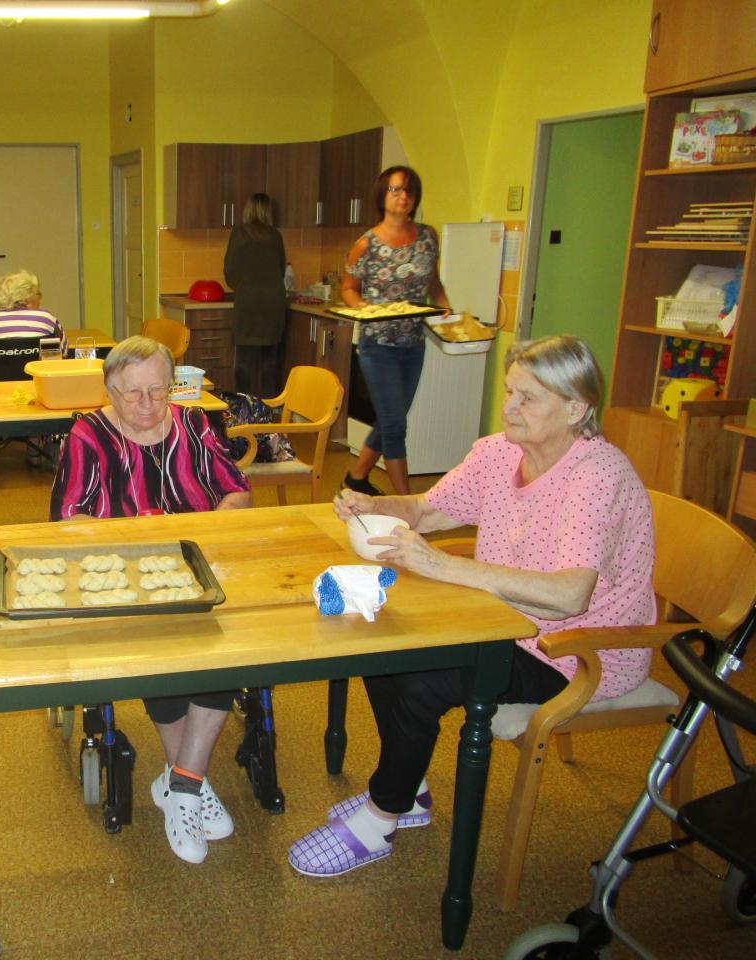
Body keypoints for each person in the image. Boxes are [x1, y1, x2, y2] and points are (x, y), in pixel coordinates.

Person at [288, 335, 656, 879]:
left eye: (529, 397)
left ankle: (381, 817)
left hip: (574, 651)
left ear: (576, 408)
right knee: (380, 643)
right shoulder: (499, 451)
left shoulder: (596, 476)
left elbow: (569, 597)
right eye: (510, 391)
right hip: (504, 619)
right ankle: (409, 790)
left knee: (422, 679)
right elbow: (428, 509)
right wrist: (375, 503)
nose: (510, 407)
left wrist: (442, 566)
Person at [50, 336, 251, 865]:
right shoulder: (88, 436)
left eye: (158, 391)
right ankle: (190, 783)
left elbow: (237, 490)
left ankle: (181, 784)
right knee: (162, 649)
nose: (147, 404)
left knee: (229, 644)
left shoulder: (195, 424)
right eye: (132, 393)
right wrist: (132, 547)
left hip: (199, 571)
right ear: (109, 391)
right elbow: (68, 519)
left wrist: (211, 530)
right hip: (124, 582)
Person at [340, 166, 450, 498]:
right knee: (395, 425)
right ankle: (407, 501)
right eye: (395, 190)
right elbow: (348, 288)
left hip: (413, 344)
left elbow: (432, 282)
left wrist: (446, 309)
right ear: (382, 196)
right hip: (378, 344)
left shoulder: (428, 237)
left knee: (392, 418)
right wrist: (363, 307)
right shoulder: (367, 244)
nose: (403, 196)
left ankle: (356, 478)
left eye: (409, 191)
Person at [224, 192, 287, 399]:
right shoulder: (275, 236)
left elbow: (230, 272)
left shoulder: (239, 234)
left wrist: (244, 286)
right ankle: (268, 409)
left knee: (245, 362)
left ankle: (244, 407)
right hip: (274, 303)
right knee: (270, 363)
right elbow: (281, 270)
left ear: (247, 210)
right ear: (268, 211)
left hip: (249, 302)